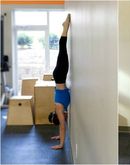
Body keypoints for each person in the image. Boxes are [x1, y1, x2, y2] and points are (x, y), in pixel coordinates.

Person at [50, 14, 71, 150]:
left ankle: (65, 27)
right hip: (60, 76)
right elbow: (62, 125)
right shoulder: (59, 107)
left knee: (62, 49)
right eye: (55, 116)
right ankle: (66, 26)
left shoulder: (64, 106)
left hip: (60, 76)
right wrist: (61, 144)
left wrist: (59, 137)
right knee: (62, 46)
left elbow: (62, 125)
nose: (55, 113)